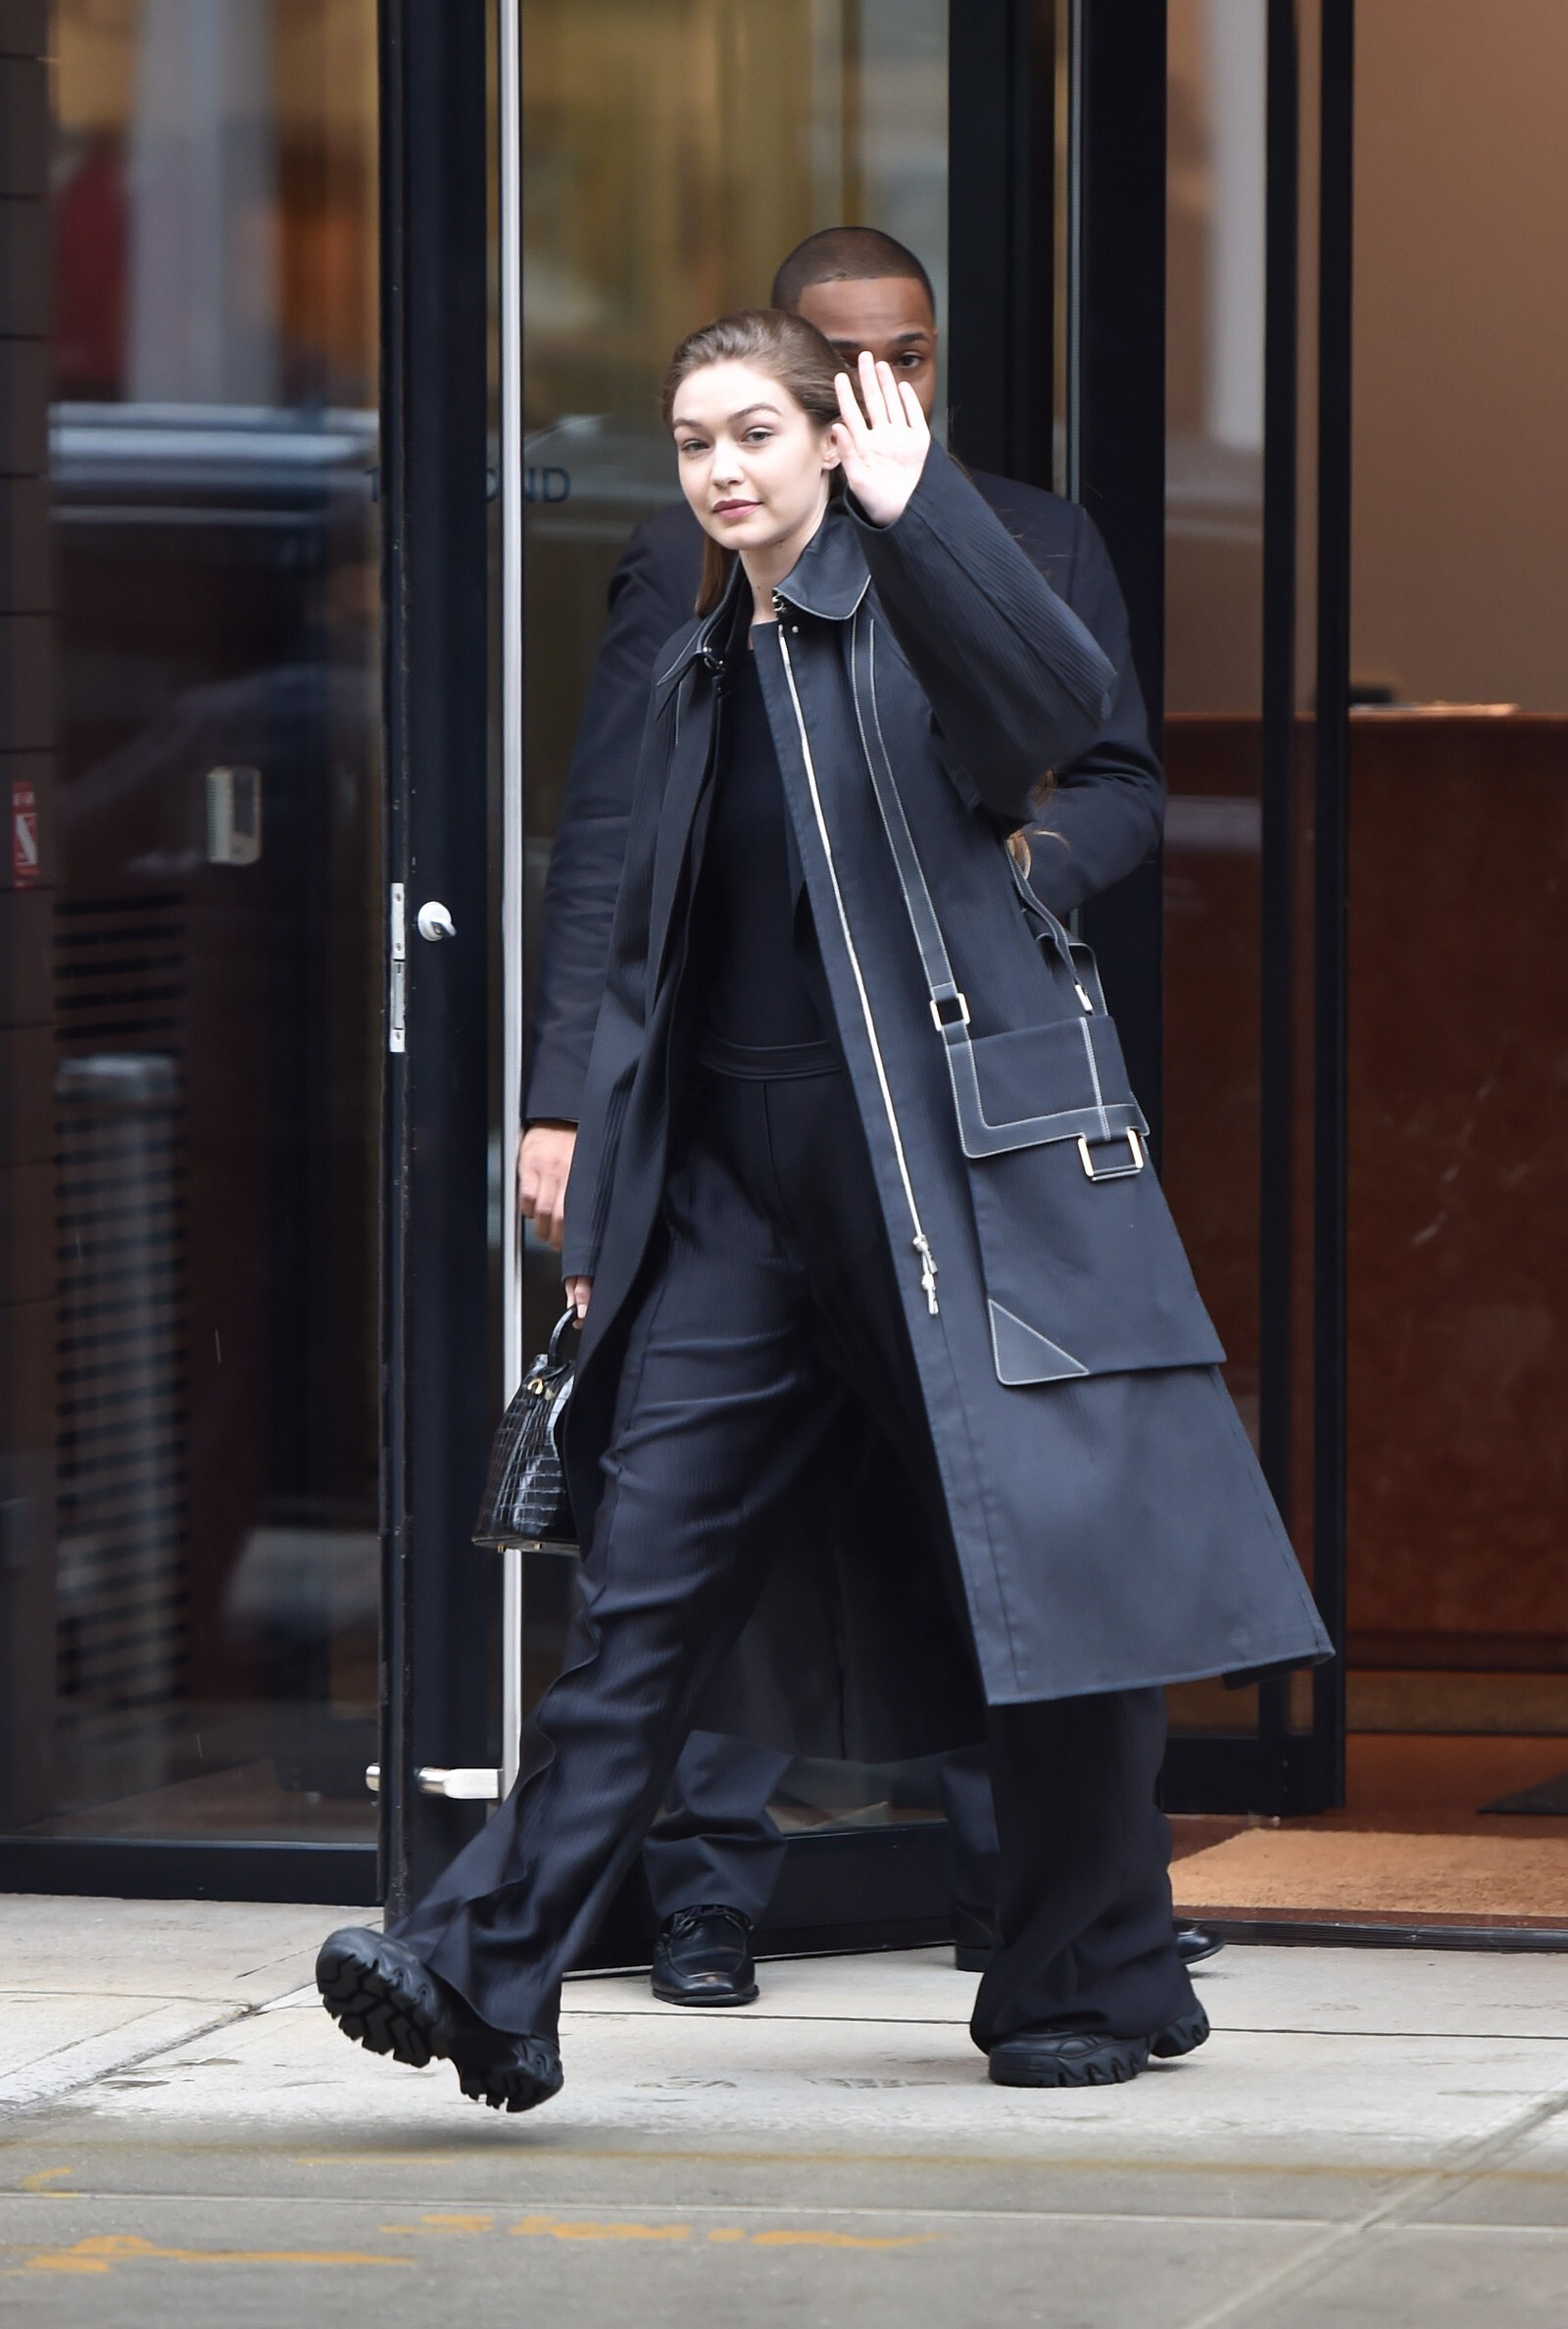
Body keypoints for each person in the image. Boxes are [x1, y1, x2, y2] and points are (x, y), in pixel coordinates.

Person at [317, 312, 1329, 2108]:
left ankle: (1087, 1971)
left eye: (755, 434)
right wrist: (605, 1191)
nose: (721, 470)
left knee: (1050, 1578)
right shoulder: (702, 666)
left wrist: (922, 517)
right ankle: (488, 1967)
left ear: (830, 440)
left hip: (956, 1166)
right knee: (644, 1581)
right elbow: (648, 955)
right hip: (736, 1191)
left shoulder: (921, 608)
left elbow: (1057, 719)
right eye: (693, 441)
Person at [521, 229, 1213, 2008]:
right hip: (745, 1119)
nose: (869, 386)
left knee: (1008, 1506)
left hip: (961, 1115)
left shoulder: (1029, 538)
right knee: (688, 1515)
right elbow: (614, 844)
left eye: (900, 354)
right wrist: (567, 1105)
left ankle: (1048, 1918)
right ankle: (696, 1895)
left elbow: (1106, 766)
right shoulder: (696, 544)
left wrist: (1010, 887)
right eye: (832, 363)